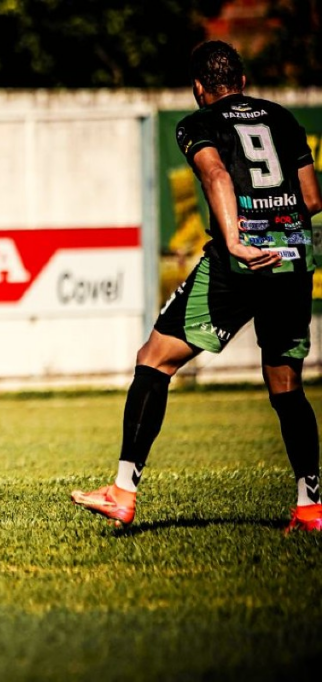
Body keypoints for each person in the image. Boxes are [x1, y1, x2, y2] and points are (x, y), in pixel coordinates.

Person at [71, 41, 322, 532]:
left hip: (240, 258)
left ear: (198, 88)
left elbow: (215, 175)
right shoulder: (284, 119)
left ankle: (122, 492)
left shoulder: (199, 123)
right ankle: (311, 507)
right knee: (286, 384)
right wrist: (277, 228)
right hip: (294, 256)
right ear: (244, 82)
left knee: (154, 359)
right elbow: (311, 198)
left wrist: (237, 240)